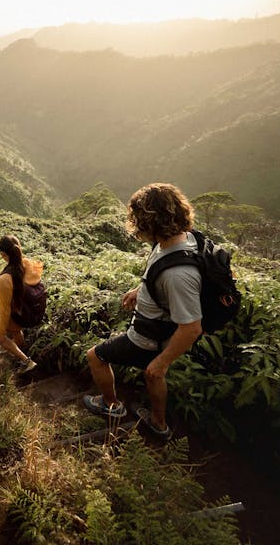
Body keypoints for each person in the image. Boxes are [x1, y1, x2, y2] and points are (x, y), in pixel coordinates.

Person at [83, 183, 203, 439]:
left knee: (96, 356)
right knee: (154, 376)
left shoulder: (178, 276)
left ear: (152, 222)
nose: (135, 224)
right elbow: (160, 273)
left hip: (147, 339)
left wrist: (162, 360)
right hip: (160, 333)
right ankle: (159, 423)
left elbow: (192, 327)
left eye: (138, 219)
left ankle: (111, 405)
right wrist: (141, 290)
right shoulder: (179, 240)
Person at [0, 235, 43, 373]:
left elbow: (5, 310)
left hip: (21, 314)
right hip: (35, 311)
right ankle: (21, 348)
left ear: (3, 254)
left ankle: (26, 361)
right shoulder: (29, 264)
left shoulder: (5, 279)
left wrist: (1, 334)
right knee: (9, 329)